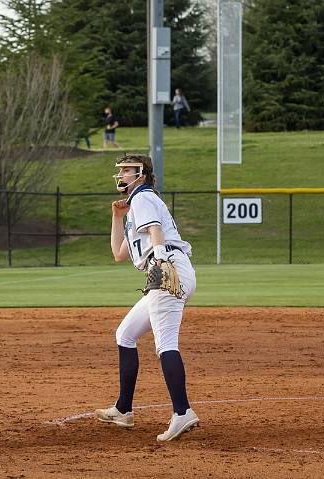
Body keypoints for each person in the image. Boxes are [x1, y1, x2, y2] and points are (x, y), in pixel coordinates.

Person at [95, 154, 199, 442]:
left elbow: (156, 231)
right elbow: (118, 253)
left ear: (141, 174)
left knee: (166, 344)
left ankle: (182, 413)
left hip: (166, 268)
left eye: (127, 170)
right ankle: (123, 409)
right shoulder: (133, 209)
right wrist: (117, 217)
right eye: (122, 170)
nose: (122, 174)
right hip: (166, 270)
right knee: (125, 334)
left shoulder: (143, 197)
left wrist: (161, 258)